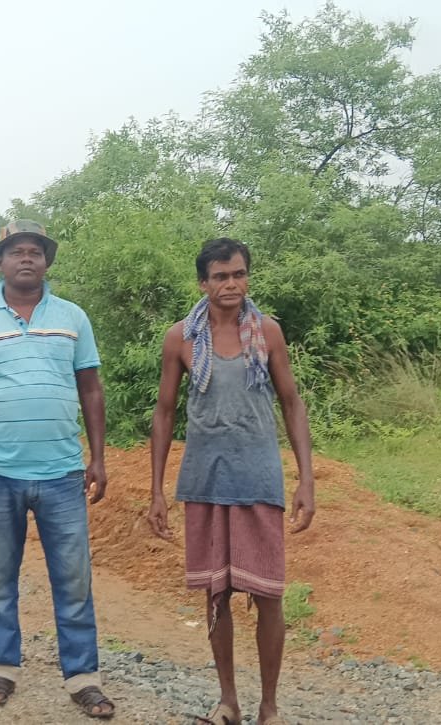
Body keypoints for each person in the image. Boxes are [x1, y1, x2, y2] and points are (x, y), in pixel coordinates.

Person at [0, 219, 116, 719]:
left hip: (63, 474)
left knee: (74, 582)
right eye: (16, 251)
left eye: (35, 251)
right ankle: (3, 669)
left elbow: (91, 389)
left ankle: (83, 678)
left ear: (46, 262)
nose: (26, 258)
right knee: (0, 581)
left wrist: (98, 458)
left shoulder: (73, 317)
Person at [146, 237, 316, 725]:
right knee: (216, 595)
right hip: (205, 480)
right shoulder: (181, 338)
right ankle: (228, 703)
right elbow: (164, 412)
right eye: (220, 276)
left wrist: (306, 480)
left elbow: (292, 403)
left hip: (259, 478)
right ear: (204, 283)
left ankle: (269, 707)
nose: (231, 284)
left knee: (269, 595)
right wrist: (156, 491)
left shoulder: (268, 332)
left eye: (239, 274)